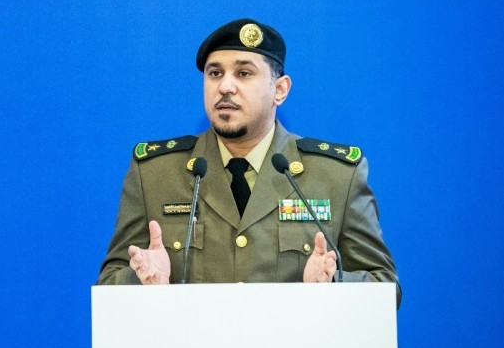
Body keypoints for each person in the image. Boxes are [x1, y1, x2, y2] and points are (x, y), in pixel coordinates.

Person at [97, 18, 401, 306]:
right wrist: (143, 281)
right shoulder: (155, 173)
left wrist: (332, 284)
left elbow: (385, 287)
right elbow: (110, 281)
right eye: (215, 73)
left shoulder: (337, 176)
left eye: (243, 73)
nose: (225, 87)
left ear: (279, 90)